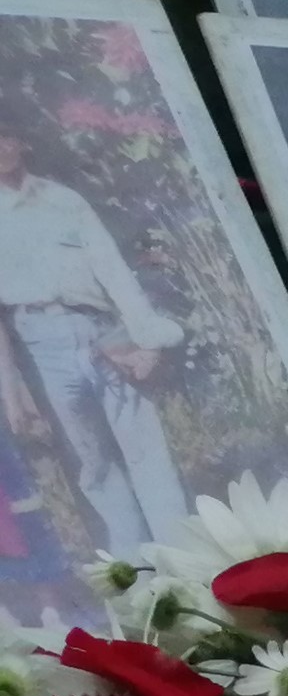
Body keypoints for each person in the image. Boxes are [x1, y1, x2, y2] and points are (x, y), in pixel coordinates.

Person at [0, 126, 191, 555]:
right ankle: (133, 569)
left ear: (22, 140)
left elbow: (114, 272)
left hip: (102, 332)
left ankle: (183, 559)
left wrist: (144, 339)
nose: (0, 145)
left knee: (146, 450)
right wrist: (11, 393)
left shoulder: (63, 201)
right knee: (92, 461)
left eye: (4, 133)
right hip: (40, 344)